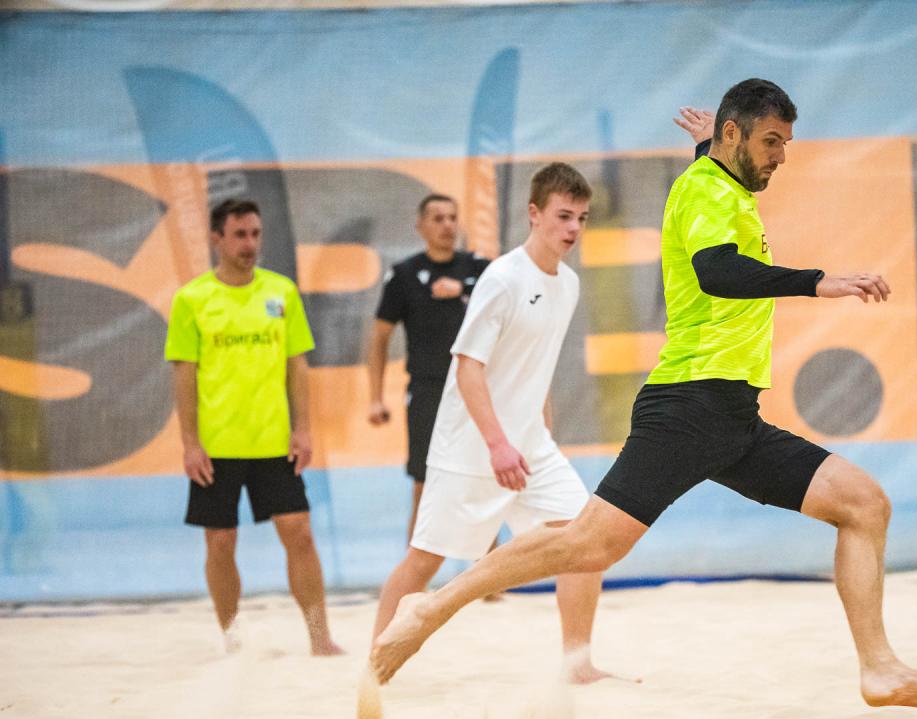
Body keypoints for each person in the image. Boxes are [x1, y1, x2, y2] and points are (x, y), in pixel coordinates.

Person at [372, 79, 917, 709]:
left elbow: (714, 188)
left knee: (864, 505)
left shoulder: (719, 183)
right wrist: (819, 281)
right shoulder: (706, 188)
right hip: (688, 406)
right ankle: (432, 607)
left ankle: (879, 669)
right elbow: (717, 271)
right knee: (588, 544)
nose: (781, 157)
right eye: (771, 141)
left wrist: (711, 144)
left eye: (786, 144)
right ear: (734, 134)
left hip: (734, 417)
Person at [367, 163, 612, 684]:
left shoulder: (567, 284)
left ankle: (578, 665)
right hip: (471, 448)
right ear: (534, 214)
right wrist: (498, 444)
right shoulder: (501, 279)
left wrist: (540, 432)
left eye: (582, 218)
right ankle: (374, 667)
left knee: (587, 540)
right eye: (563, 216)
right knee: (423, 561)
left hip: (530, 447)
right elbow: (468, 368)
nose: (573, 228)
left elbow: (536, 366)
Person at [165, 198, 343, 656]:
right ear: (216, 238)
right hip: (218, 445)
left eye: (255, 233)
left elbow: (296, 366)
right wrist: (190, 443)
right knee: (220, 542)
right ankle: (233, 639)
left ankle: (320, 638)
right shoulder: (192, 299)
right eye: (239, 234)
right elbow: (184, 375)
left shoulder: (281, 292)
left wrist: (303, 429)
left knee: (300, 532)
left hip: (274, 441)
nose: (249, 243)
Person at [366, 195, 490, 542]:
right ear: (420, 226)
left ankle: (489, 572)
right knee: (425, 485)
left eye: (452, 217)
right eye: (437, 218)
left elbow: (513, 292)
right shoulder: (404, 275)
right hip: (427, 391)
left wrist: (463, 289)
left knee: (480, 485)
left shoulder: (479, 269)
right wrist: (375, 398)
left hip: (474, 390)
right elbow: (379, 338)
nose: (447, 225)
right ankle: (414, 570)